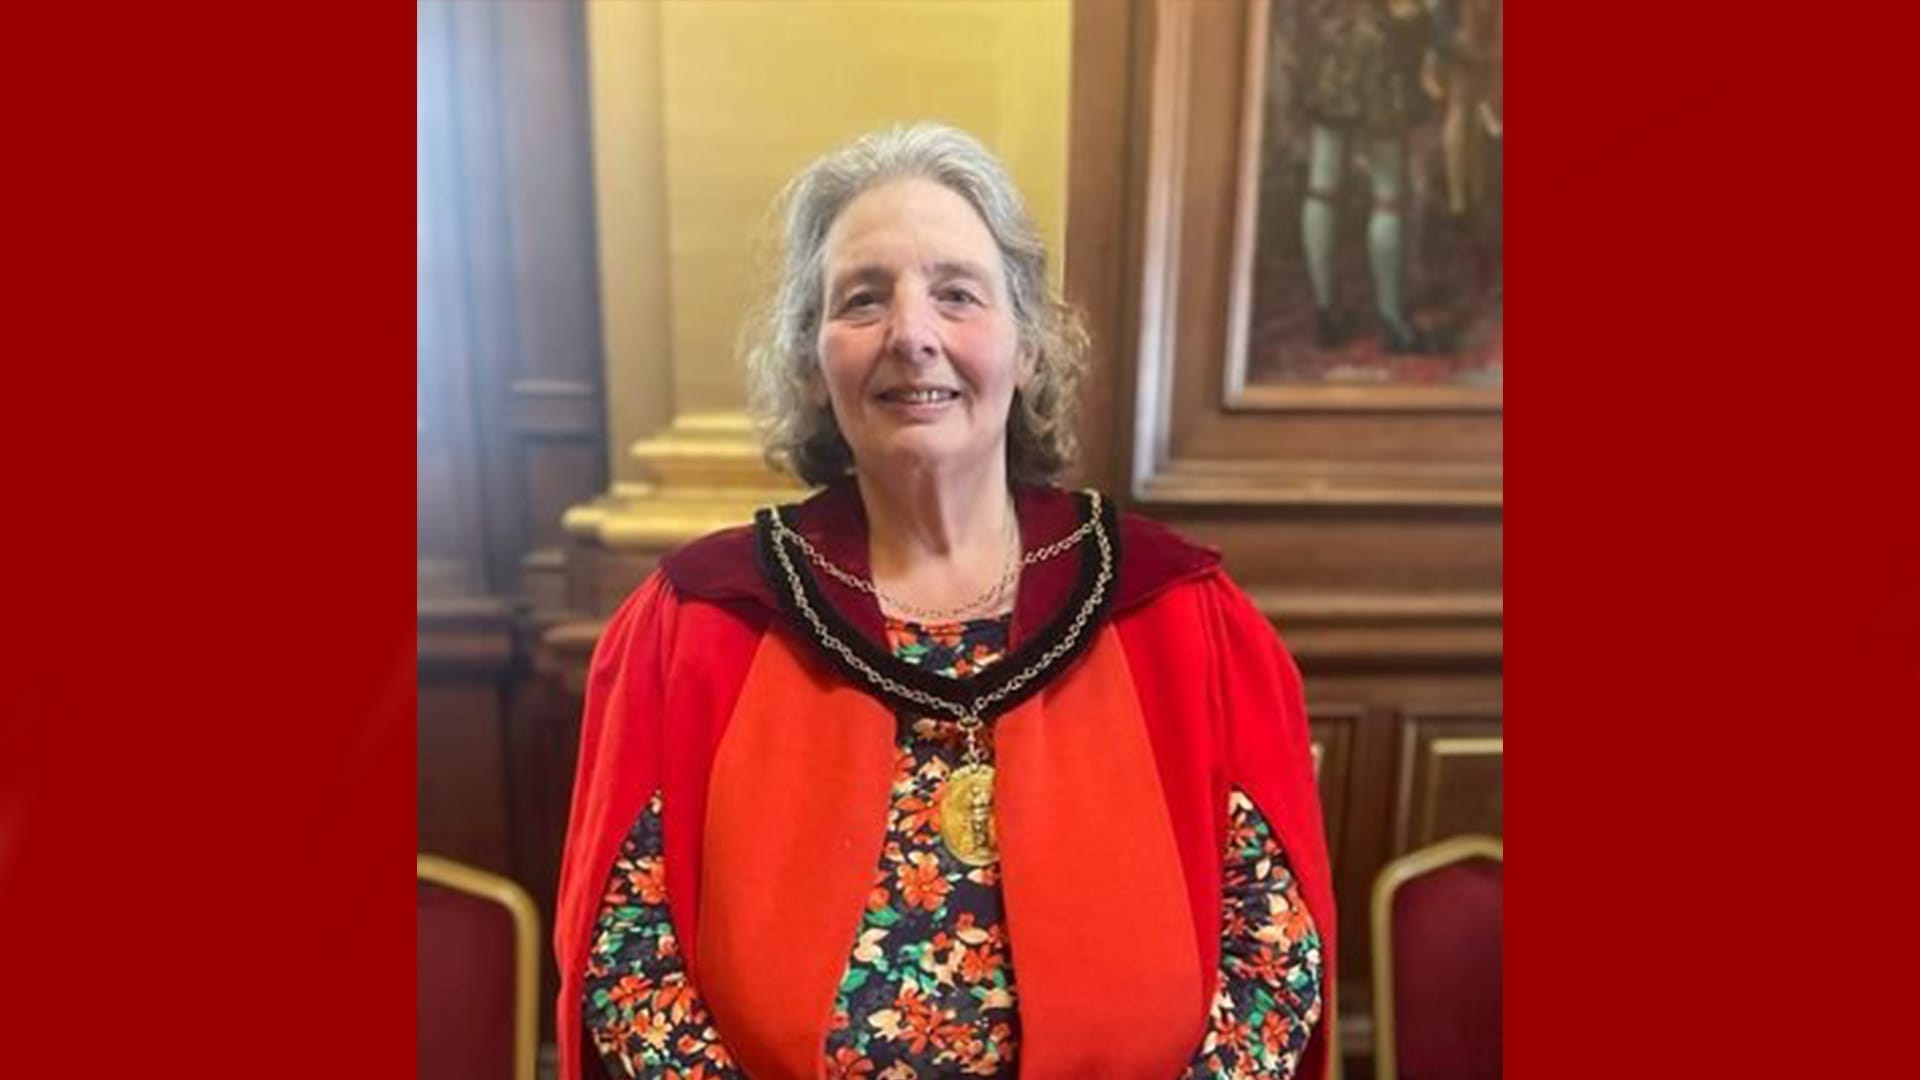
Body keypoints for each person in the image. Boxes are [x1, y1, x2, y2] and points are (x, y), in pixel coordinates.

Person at [553, 123, 1336, 1080]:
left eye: (958, 293)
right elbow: (628, 955)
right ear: (812, 361)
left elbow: (1273, 949)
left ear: (1030, 347)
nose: (913, 334)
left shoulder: (1182, 616)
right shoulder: (697, 623)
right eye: (864, 298)